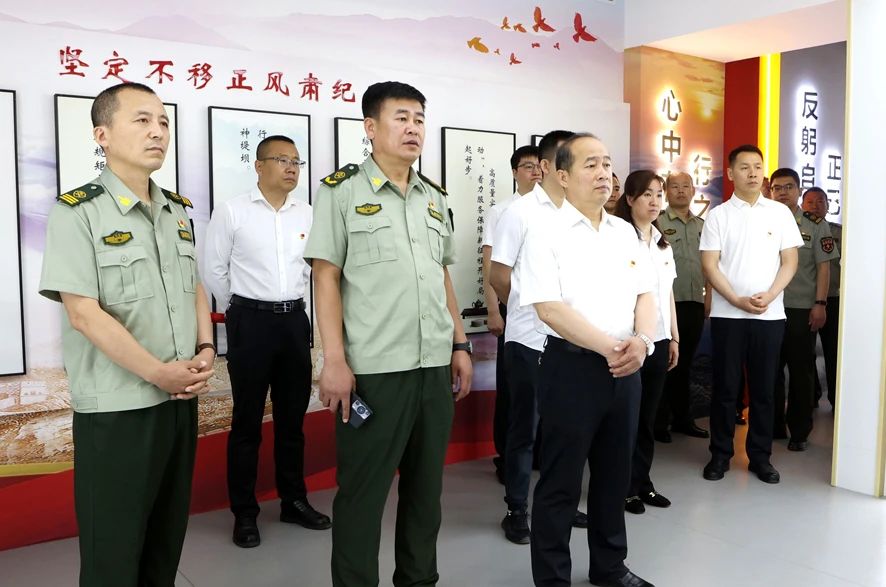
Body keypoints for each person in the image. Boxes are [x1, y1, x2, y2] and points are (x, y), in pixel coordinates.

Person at [38, 82, 215, 586]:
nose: (158, 131)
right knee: (113, 554)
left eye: (163, 121)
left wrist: (205, 347)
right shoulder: (78, 212)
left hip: (178, 401)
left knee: (165, 543)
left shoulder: (175, 211)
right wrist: (158, 373)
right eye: (141, 120)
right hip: (118, 410)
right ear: (103, 135)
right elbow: (83, 314)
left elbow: (194, 286)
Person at [304, 81, 473, 587]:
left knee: (426, 492)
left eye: (419, 118)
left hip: (432, 368)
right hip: (375, 372)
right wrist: (334, 361)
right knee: (362, 495)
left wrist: (459, 344)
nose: (413, 127)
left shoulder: (433, 197)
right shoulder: (341, 192)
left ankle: (419, 580)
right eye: (401, 117)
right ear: (371, 127)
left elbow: (442, 275)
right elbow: (325, 276)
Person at [522, 133, 657, 587]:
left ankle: (609, 567)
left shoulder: (624, 232)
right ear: (562, 176)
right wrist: (611, 348)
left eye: (607, 163)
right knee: (561, 482)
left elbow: (646, 294)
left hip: (627, 370)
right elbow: (549, 309)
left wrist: (642, 341)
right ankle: (553, 578)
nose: (604, 173)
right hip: (573, 369)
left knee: (614, 477)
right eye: (591, 164)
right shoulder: (544, 232)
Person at [203, 134, 331, 548]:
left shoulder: (308, 214)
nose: (292, 168)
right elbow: (213, 269)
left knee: (292, 421)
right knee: (247, 422)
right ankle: (244, 512)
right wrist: (241, 308)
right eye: (282, 160)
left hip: (294, 321)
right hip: (250, 323)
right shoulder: (233, 211)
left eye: (296, 161)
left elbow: (315, 273)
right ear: (259, 166)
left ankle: (293, 501)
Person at [489, 131, 587, 544]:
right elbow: (498, 275)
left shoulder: (580, 213)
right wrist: (528, 307)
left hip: (572, 340)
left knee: (564, 429)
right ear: (548, 167)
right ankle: (517, 509)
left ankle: (560, 502)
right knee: (524, 429)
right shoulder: (520, 212)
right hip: (529, 339)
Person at [700, 145, 802, 485]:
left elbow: (790, 262)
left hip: (769, 317)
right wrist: (735, 300)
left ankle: (760, 457)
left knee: (764, 390)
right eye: (745, 167)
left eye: (758, 166)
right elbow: (710, 265)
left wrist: (770, 295)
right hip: (728, 316)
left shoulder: (780, 213)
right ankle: (720, 455)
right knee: (725, 388)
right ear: (731, 173)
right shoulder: (718, 216)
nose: (753, 173)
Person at [615, 171, 678, 516]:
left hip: (660, 338)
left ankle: (642, 482)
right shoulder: (619, 238)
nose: (655, 202)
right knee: (627, 419)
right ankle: (622, 487)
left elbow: (666, 295)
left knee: (648, 418)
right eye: (647, 195)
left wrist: (674, 336)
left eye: (658, 195)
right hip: (630, 341)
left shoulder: (663, 243)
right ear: (630, 199)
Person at [482, 144, 541, 484]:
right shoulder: (502, 211)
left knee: (544, 389)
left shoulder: (556, 211)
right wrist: (495, 309)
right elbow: (491, 266)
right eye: (527, 166)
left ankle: (538, 454)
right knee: (511, 389)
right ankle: (506, 456)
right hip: (513, 306)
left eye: (538, 166)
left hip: (547, 314)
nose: (535, 172)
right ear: (515, 172)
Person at [769, 171, 838, 451]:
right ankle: (773, 426)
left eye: (789, 187)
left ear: (798, 191)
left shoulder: (815, 225)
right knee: (770, 370)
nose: (783, 192)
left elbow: (824, 268)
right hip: (767, 308)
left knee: (801, 371)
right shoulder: (762, 221)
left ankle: (799, 431)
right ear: (770, 192)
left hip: (800, 308)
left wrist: (820, 304)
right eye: (777, 188)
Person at [654, 171, 711, 442]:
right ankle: (659, 422)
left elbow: (711, 264)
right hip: (666, 305)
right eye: (674, 186)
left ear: (693, 191)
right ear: (666, 192)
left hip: (695, 302)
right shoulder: (657, 222)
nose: (680, 191)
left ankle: (682, 419)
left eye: (685, 186)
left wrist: (710, 295)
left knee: (686, 364)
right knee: (664, 364)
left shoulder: (703, 225)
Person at [802, 187, 842, 408]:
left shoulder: (839, 232)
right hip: (806, 298)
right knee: (804, 352)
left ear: (828, 205)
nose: (815, 206)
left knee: (833, 351)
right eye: (810, 202)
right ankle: (811, 396)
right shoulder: (795, 230)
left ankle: (837, 400)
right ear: (802, 205)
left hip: (833, 298)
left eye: (820, 201)